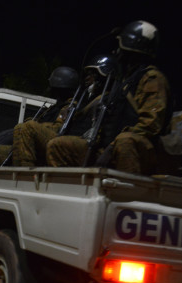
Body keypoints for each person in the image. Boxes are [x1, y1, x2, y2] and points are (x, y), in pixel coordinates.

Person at [47, 20, 171, 173]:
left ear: (130, 46)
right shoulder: (125, 82)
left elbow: (150, 125)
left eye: (121, 46)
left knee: (126, 142)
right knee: (58, 146)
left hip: (136, 151)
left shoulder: (152, 79)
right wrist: (94, 141)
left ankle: (125, 195)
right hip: (111, 147)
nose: (116, 51)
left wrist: (112, 147)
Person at [0, 65, 79, 166]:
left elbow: (59, 129)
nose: (49, 89)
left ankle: (24, 174)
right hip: (35, 146)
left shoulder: (69, 106)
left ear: (58, 88)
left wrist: (34, 126)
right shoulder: (53, 108)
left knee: (26, 127)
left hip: (53, 144)